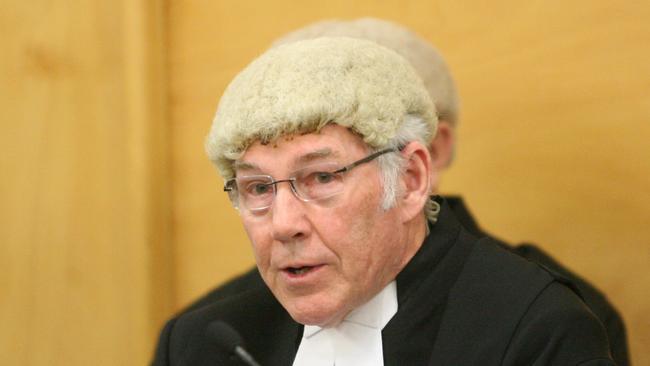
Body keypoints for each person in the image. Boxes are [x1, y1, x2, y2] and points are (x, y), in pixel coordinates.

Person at [174, 18, 629, 366]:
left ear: (412, 180)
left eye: (323, 178)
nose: (284, 224)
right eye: (257, 187)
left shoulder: (538, 329)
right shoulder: (205, 340)